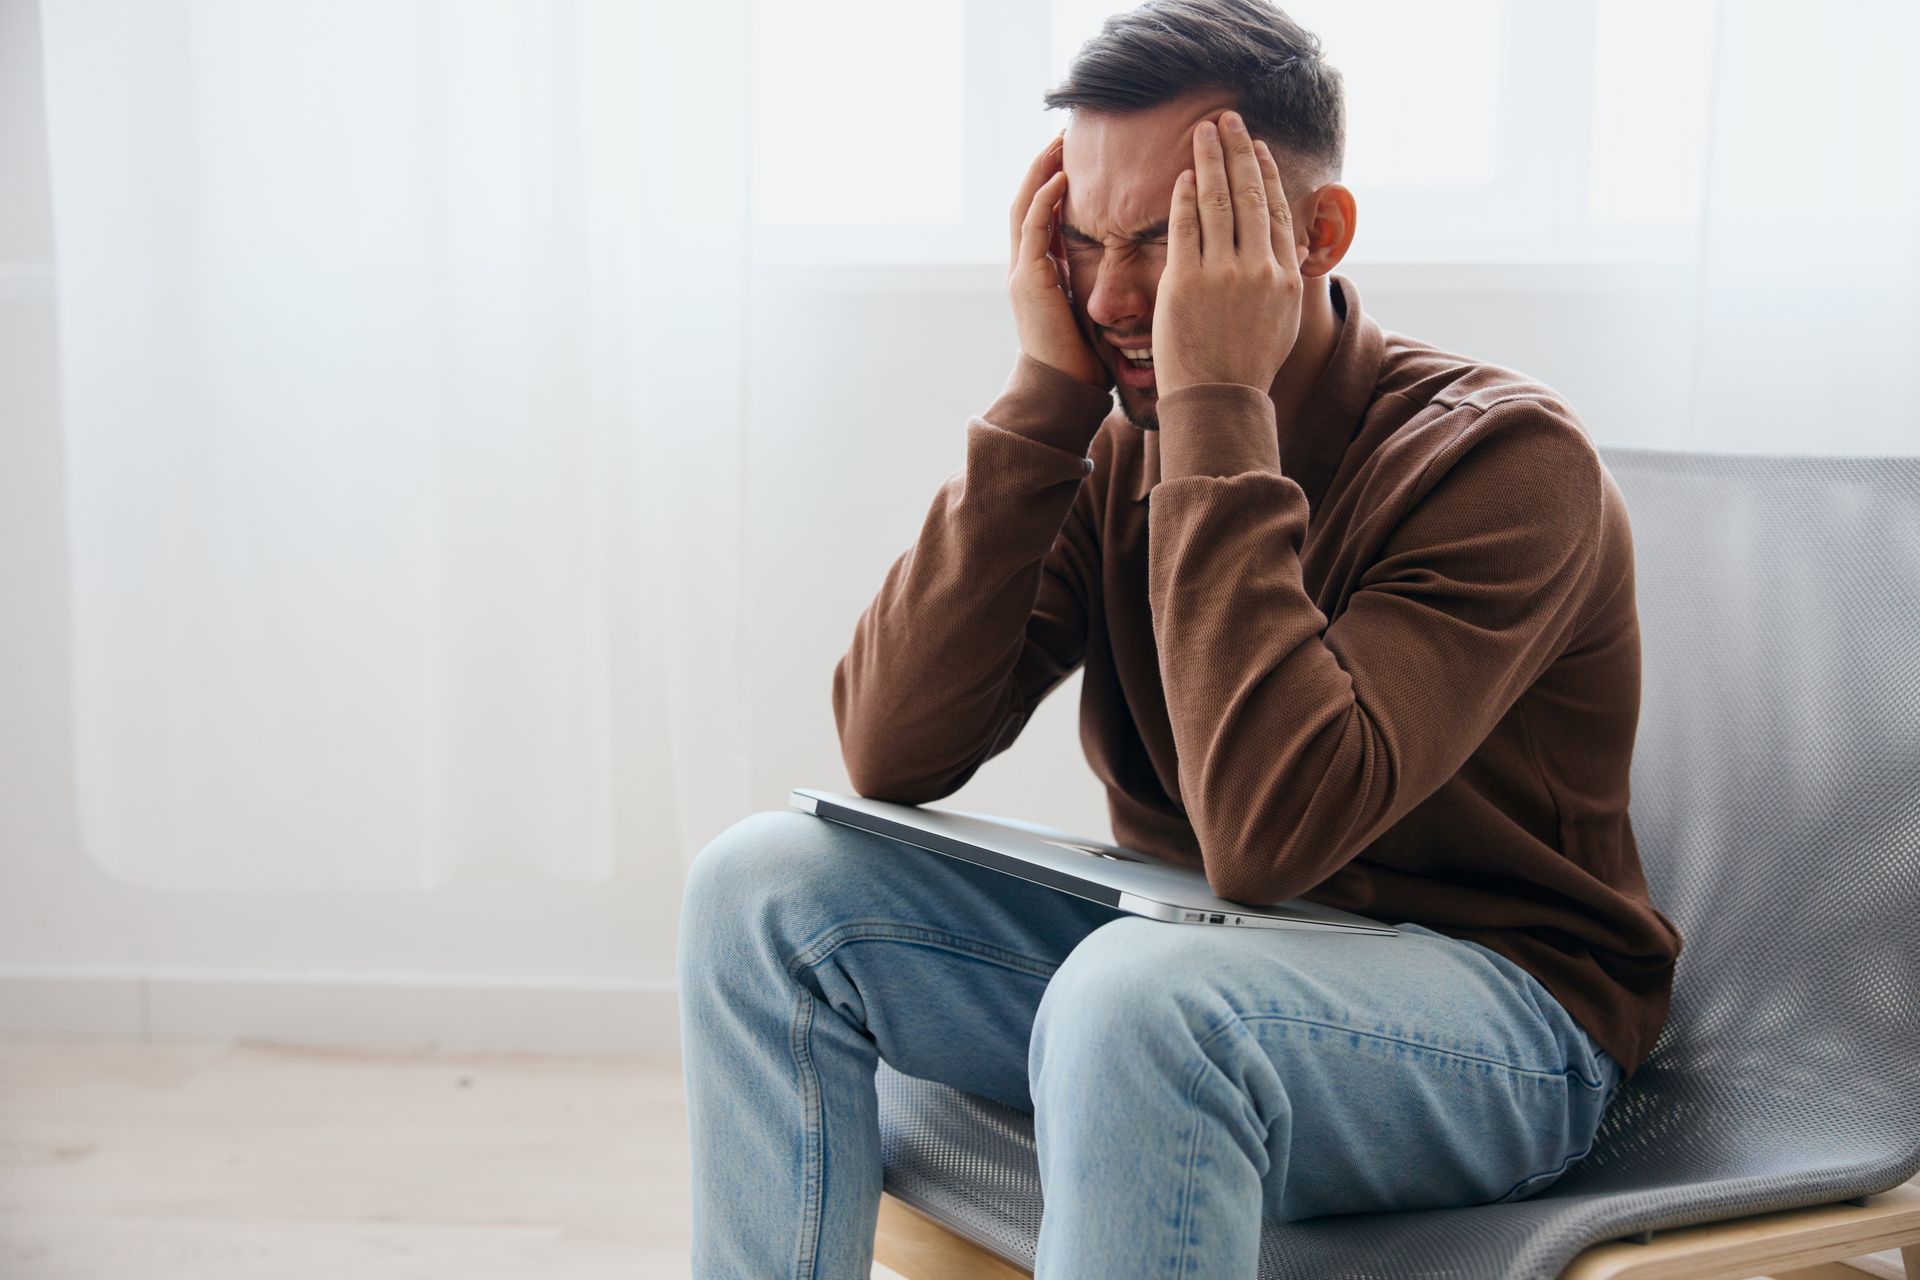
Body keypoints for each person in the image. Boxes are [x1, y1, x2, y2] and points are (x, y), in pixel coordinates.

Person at [677, 1, 1684, 1275]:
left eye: (1166, 238)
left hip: (1500, 1018)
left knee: (1140, 1000)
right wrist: (1047, 399)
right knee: (760, 885)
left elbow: (1270, 834)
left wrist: (1216, 402)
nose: (1109, 295)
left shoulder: (1505, 460)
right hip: (1191, 953)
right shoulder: (1118, 443)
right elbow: (893, 747)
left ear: (1315, 235)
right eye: (1084, 240)